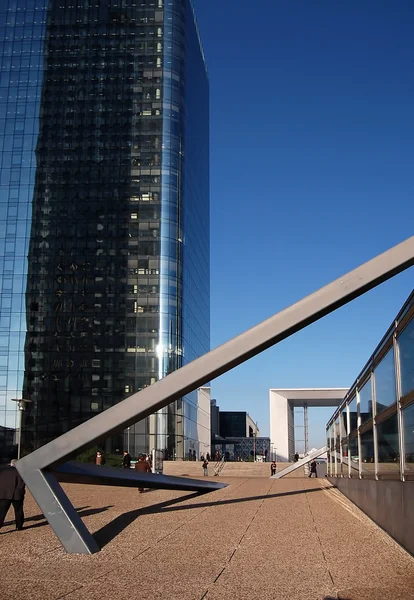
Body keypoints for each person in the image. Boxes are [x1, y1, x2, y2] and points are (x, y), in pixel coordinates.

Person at [0, 459, 26, 531]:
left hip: (4, 493)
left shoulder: (3, 470)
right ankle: (19, 526)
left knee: (2, 511)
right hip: (17, 494)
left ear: (11, 464)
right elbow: (22, 483)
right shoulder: (21, 471)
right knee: (18, 510)